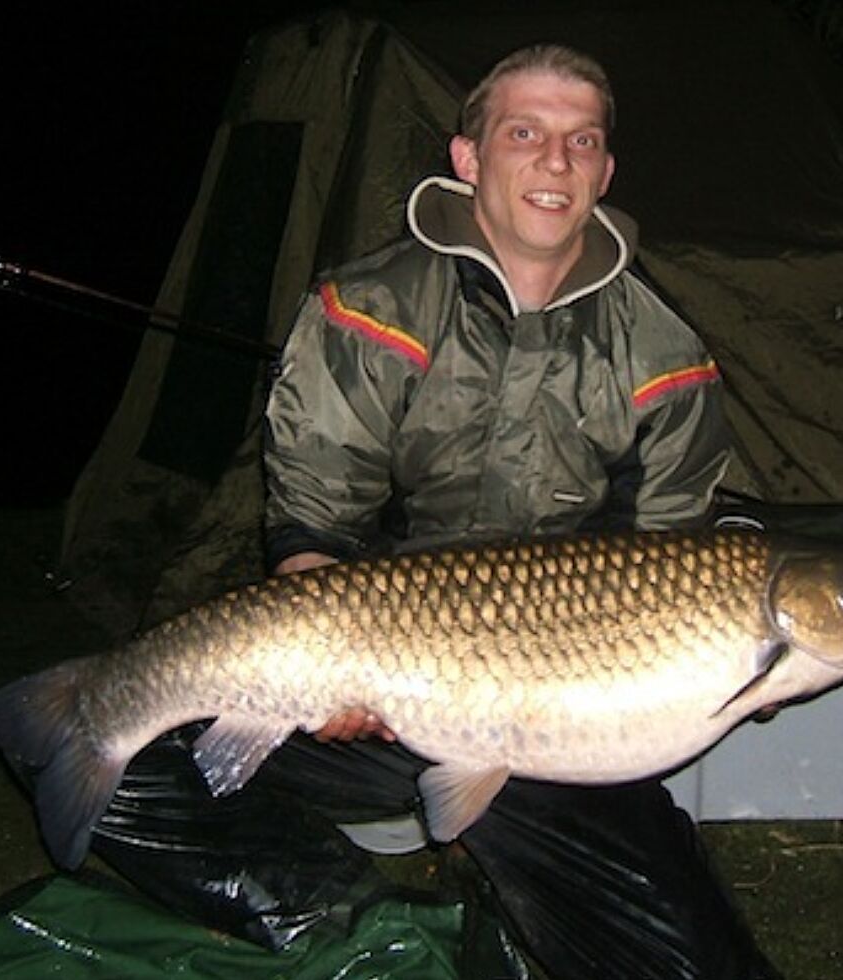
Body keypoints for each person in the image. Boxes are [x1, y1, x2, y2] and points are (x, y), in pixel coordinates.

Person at [93, 44, 781, 980]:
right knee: (115, 762)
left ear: (606, 172)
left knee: (695, 966)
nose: (555, 162)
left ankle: (490, 839)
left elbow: (671, 561)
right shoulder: (369, 306)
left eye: (582, 141)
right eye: (525, 133)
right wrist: (321, 666)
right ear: (469, 159)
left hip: (561, 721)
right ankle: (354, 920)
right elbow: (313, 523)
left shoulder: (666, 355)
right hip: (372, 683)